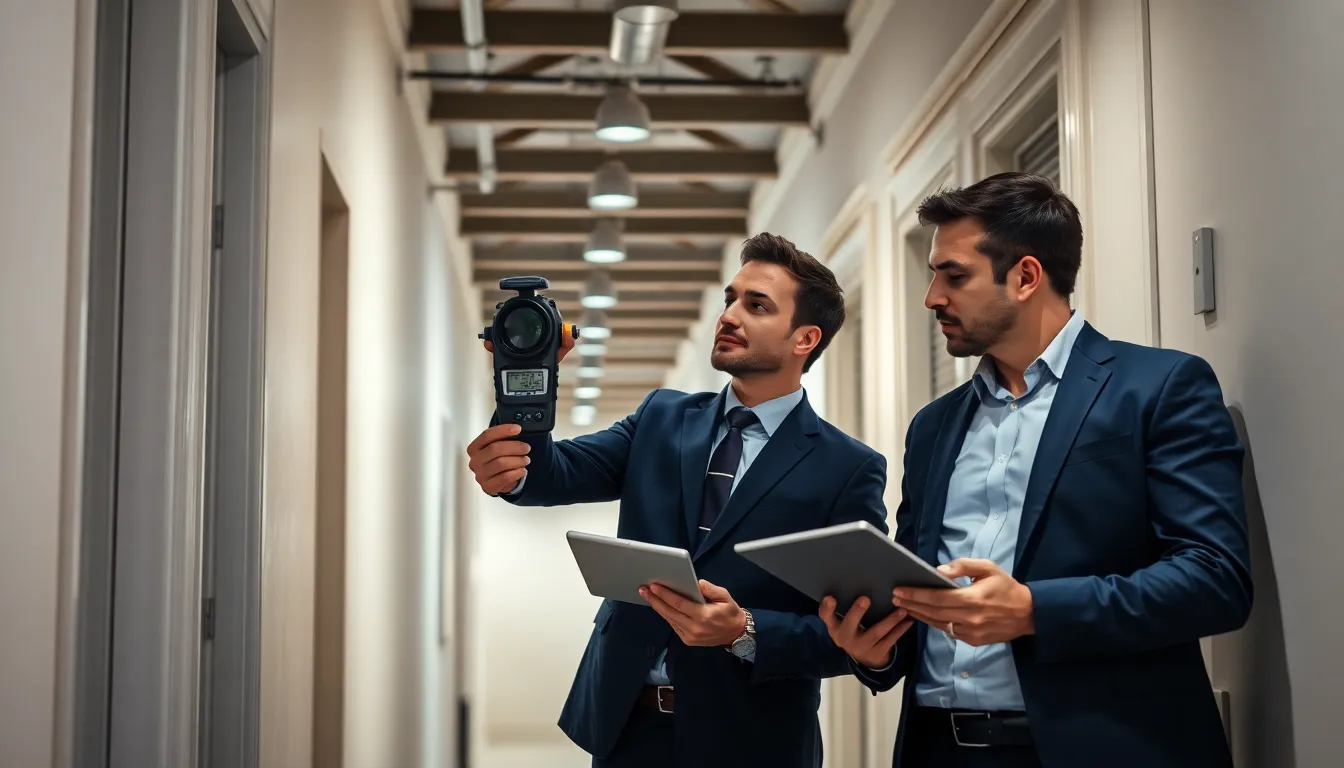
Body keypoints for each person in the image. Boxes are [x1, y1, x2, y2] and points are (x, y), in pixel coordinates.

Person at [822, 172, 1253, 768]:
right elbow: (917, 593)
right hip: (937, 748)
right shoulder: (932, 427)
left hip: (1103, 747)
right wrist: (874, 650)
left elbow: (1215, 580)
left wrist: (1033, 610)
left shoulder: (1160, 388)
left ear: (1026, 276)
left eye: (954, 275)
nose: (932, 298)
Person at [467, 233, 891, 768]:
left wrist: (745, 631)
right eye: (730, 300)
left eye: (757, 305)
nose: (729, 316)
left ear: (805, 338)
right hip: (627, 729)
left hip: (753, 742)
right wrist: (528, 389)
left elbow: (860, 631)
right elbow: (554, 474)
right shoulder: (662, 417)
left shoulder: (846, 467)